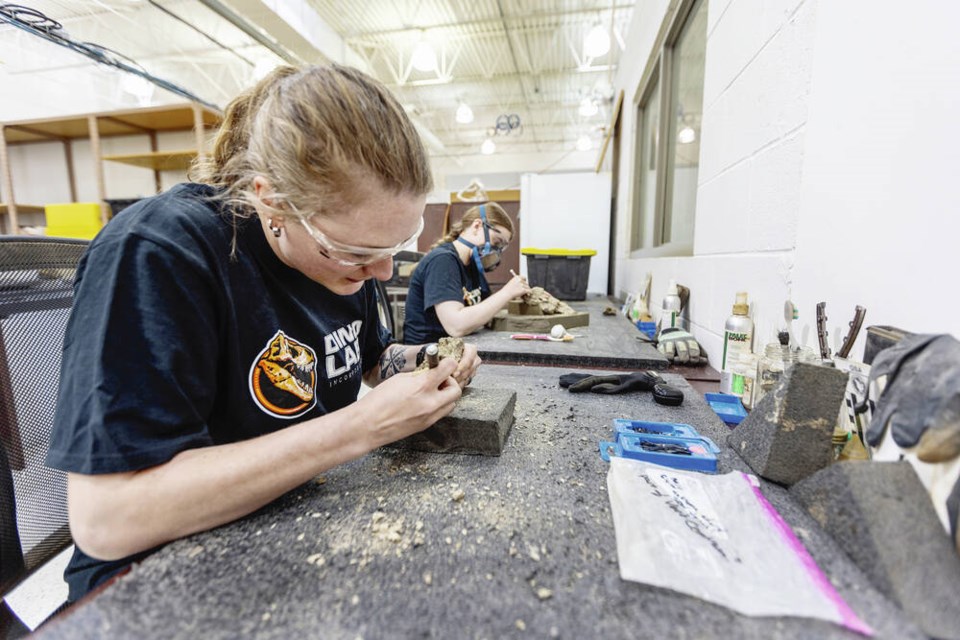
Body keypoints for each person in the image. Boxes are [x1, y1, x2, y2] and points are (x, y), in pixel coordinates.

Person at [45, 63, 481, 602]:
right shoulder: (158, 253)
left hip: (289, 526)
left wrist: (427, 361)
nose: (384, 272)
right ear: (272, 199)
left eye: (395, 247)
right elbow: (109, 520)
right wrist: (359, 428)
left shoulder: (342, 259)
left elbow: (373, 360)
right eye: (359, 252)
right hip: (155, 584)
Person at [402, 202, 531, 343]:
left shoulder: (472, 265)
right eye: (496, 242)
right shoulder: (443, 261)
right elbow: (456, 326)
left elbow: (484, 307)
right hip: (428, 353)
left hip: (456, 348)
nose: (496, 251)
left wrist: (515, 297)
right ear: (477, 226)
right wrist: (507, 292)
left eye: (502, 247)